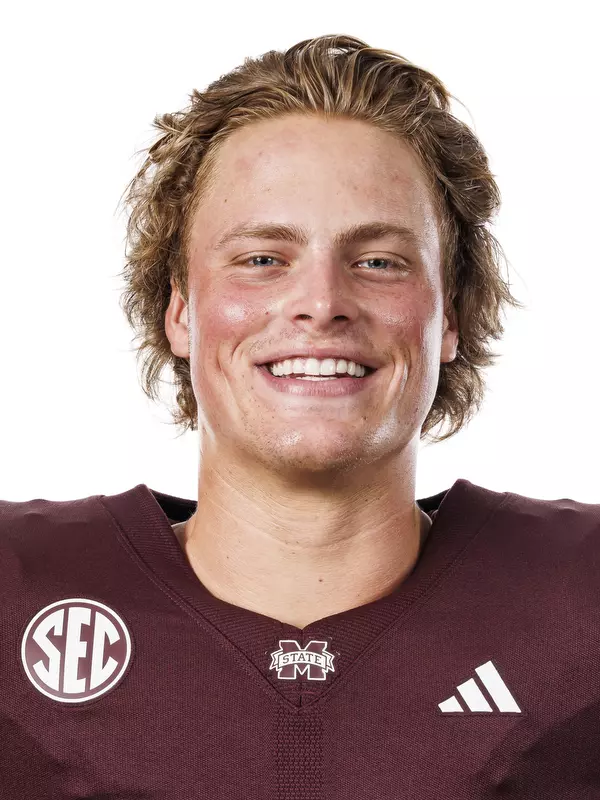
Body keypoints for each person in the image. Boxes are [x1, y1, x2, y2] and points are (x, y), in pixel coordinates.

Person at [2, 33, 598, 799]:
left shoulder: (580, 600)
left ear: (450, 316)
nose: (322, 303)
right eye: (262, 259)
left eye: (378, 260)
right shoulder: (18, 592)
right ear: (179, 312)